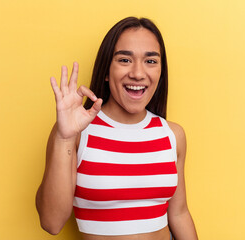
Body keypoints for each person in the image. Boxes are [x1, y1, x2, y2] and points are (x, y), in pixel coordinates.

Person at [36, 17, 198, 240]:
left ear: (161, 72)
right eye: (125, 60)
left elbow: (179, 214)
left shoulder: (173, 135)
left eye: (151, 61)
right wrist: (64, 138)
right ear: (105, 70)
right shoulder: (75, 132)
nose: (138, 73)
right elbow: (51, 222)